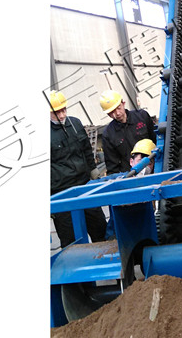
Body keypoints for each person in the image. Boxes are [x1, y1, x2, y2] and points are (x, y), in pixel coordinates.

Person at [49, 90, 107, 248]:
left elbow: (87, 149)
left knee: (100, 228)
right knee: (70, 240)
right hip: (62, 193)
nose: (62, 115)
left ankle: (106, 258)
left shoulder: (75, 123)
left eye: (63, 110)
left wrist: (93, 171)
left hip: (84, 185)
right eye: (57, 112)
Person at [99, 90, 157, 175]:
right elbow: (112, 167)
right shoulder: (108, 134)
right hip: (130, 175)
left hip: (154, 168)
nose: (117, 113)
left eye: (118, 108)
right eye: (112, 111)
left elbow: (157, 140)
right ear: (108, 114)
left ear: (123, 103)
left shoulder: (142, 117)